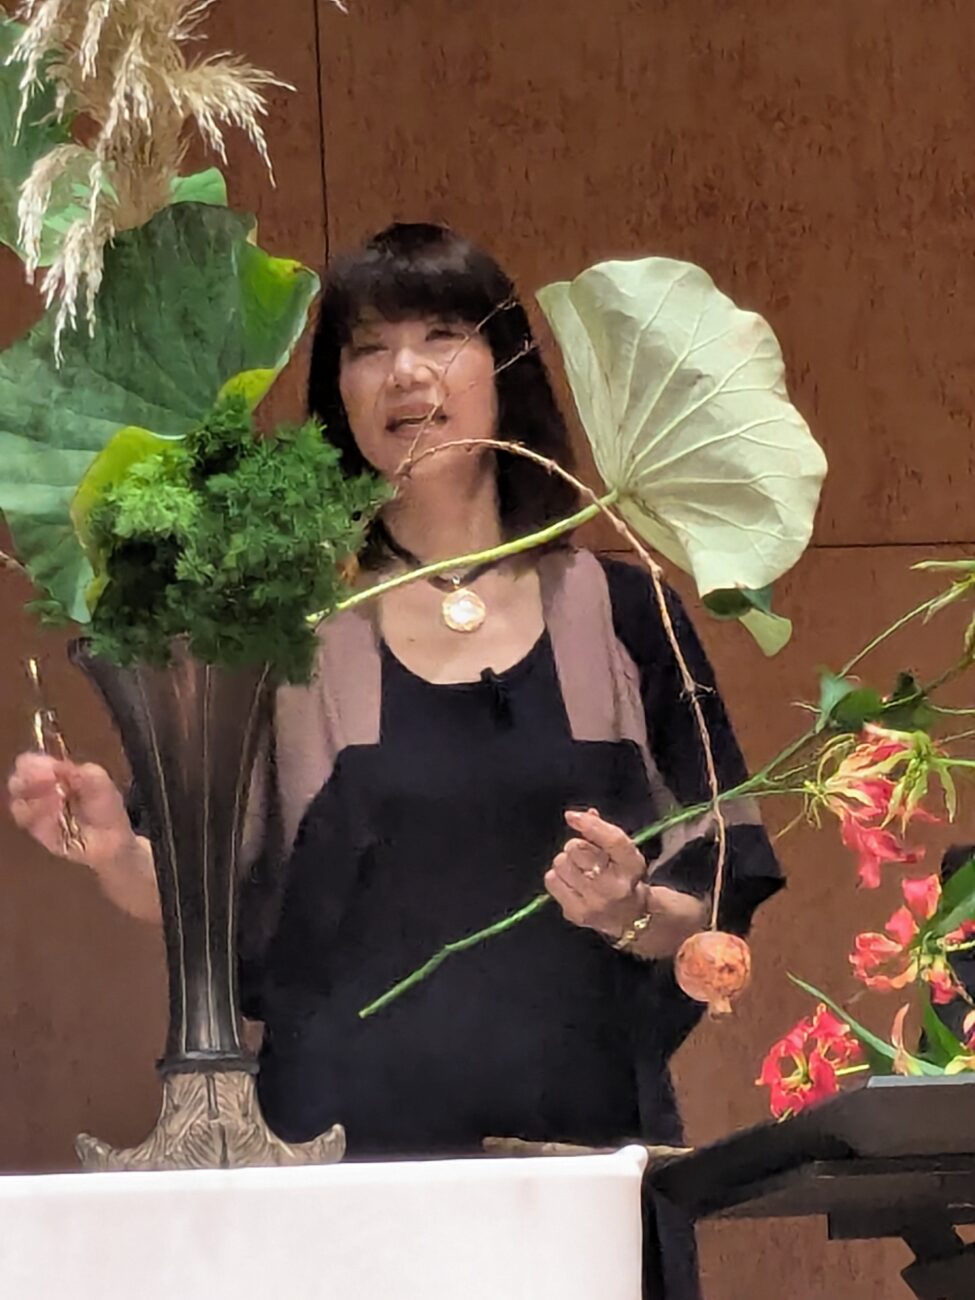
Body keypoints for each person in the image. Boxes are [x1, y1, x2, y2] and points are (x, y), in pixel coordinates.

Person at [8, 223, 782, 1299]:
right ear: (337, 393)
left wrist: (625, 909)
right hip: (337, 1173)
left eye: (442, 335)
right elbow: (196, 894)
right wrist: (105, 844)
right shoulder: (285, 623)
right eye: (367, 347)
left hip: (574, 1169)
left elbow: (709, 906)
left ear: (506, 366)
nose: (406, 372)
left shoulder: (621, 610)